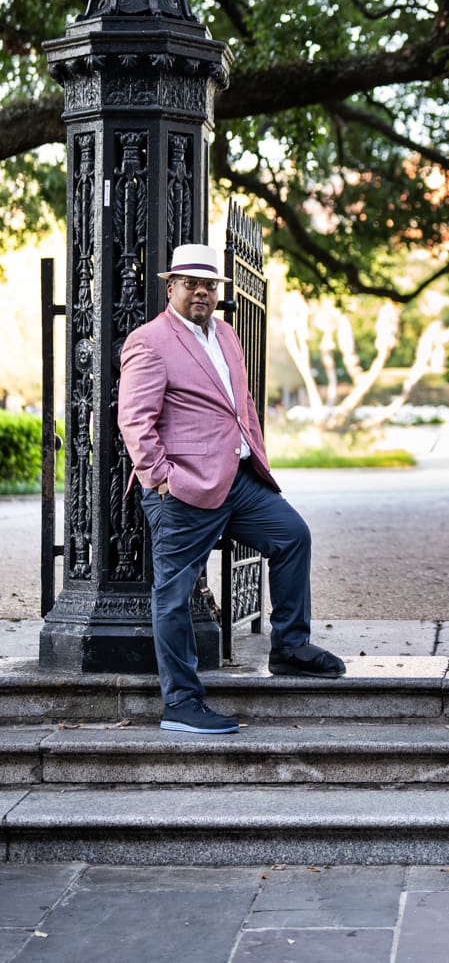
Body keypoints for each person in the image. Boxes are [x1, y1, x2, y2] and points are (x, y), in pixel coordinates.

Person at [117, 243, 347, 736]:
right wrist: (162, 478)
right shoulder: (149, 340)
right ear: (171, 286)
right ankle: (180, 702)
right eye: (191, 284)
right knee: (173, 593)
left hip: (239, 481)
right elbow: (135, 420)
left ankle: (289, 647)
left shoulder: (225, 332)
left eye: (209, 285)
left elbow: (239, 404)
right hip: (182, 487)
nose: (201, 292)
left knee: (292, 536)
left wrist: (252, 455)